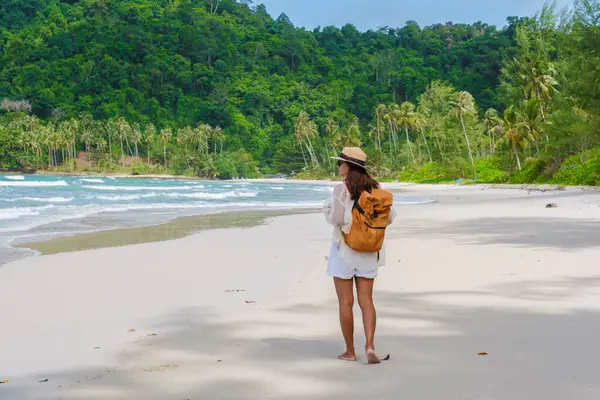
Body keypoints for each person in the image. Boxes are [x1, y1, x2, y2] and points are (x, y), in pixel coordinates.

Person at [323, 147, 396, 364]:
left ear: (349, 166)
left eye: (340, 163)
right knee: (366, 301)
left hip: (344, 250)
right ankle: (370, 345)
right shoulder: (375, 189)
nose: (338, 166)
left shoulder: (341, 189)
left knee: (345, 302)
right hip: (369, 252)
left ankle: (350, 351)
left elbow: (336, 219)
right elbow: (389, 217)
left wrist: (326, 210)